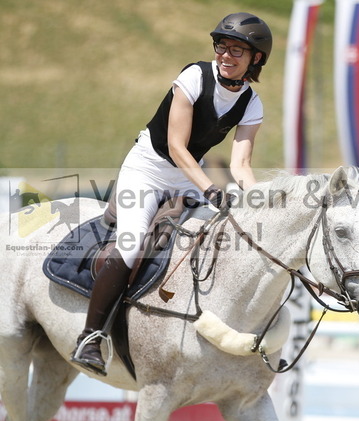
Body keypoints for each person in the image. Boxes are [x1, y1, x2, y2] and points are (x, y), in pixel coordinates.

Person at [70, 12, 272, 376]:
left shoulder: (251, 103)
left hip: (188, 177)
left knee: (222, 238)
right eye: (221, 46)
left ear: (256, 58)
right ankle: (91, 336)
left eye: (236, 50)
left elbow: (241, 165)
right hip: (148, 169)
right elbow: (177, 147)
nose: (225, 55)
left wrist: (260, 203)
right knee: (132, 243)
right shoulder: (194, 76)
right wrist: (210, 188)